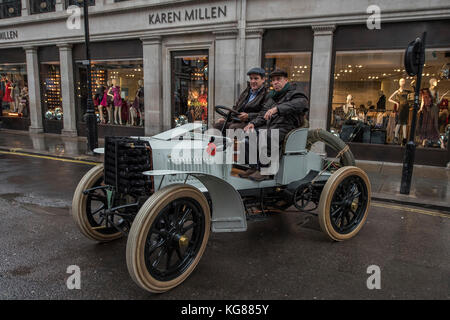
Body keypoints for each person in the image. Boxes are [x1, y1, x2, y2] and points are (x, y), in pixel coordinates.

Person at [242, 68, 309, 181]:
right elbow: (262, 114)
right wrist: (252, 123)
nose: (275, 82)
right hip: (273, 126)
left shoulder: (295, 93)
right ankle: (254, 167)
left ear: (286, 80)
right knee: (249, 135)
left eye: (278, 79)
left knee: (268, 135)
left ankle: (266, 171)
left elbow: (301, 104)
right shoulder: (273, 97)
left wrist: (278, 109)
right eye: (273, 80)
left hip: (288, 127)